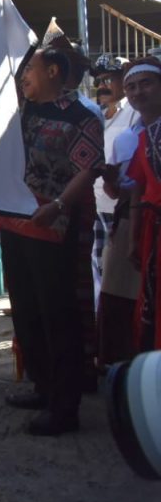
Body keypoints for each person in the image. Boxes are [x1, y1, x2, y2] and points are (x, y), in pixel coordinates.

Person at [0, 47, 104, 436]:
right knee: (26, 311)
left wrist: (58, 205)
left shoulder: (83, 116)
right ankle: (43, 386)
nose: (24, 76)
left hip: (52, 224)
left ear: (54, 71)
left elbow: (88, 170)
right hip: (15, 220)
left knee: (57, 314)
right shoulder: (23, 110)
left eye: (30, 68)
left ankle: (65, 406)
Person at [91, 55, 137, 305]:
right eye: (98, 80)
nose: (102, 85)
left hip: (123, 205)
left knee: (119, 274)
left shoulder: (133, 112)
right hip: (97, 203)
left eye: (109, 78)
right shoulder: (95, 114)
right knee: (100, 269)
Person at [125, 57, 161, 354]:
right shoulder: (141, 137)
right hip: (154, 232)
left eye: (146, 83)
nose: (137, 92)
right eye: (131, 87)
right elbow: (138, 189)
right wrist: (135, 238)